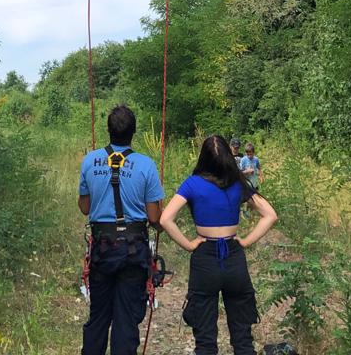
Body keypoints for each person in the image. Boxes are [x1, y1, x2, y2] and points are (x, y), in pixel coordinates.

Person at [160, 135, 278, 355]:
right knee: (243, 340)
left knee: (205, 340)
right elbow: (270, 215)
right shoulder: (238, 184)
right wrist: (246, 241)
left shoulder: (192, 184)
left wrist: (188, 245)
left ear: (203, 159)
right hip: (234, 256)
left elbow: (166, 219)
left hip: (205, 258)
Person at [79, 104, 163, 355]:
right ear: (133, 132)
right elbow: (154, 216)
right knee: (126, 319)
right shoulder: (146, 165)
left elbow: (84, 207)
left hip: (102, 250)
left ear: (108, 130)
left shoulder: (90, 161)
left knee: (98, 317)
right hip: (133, 251)